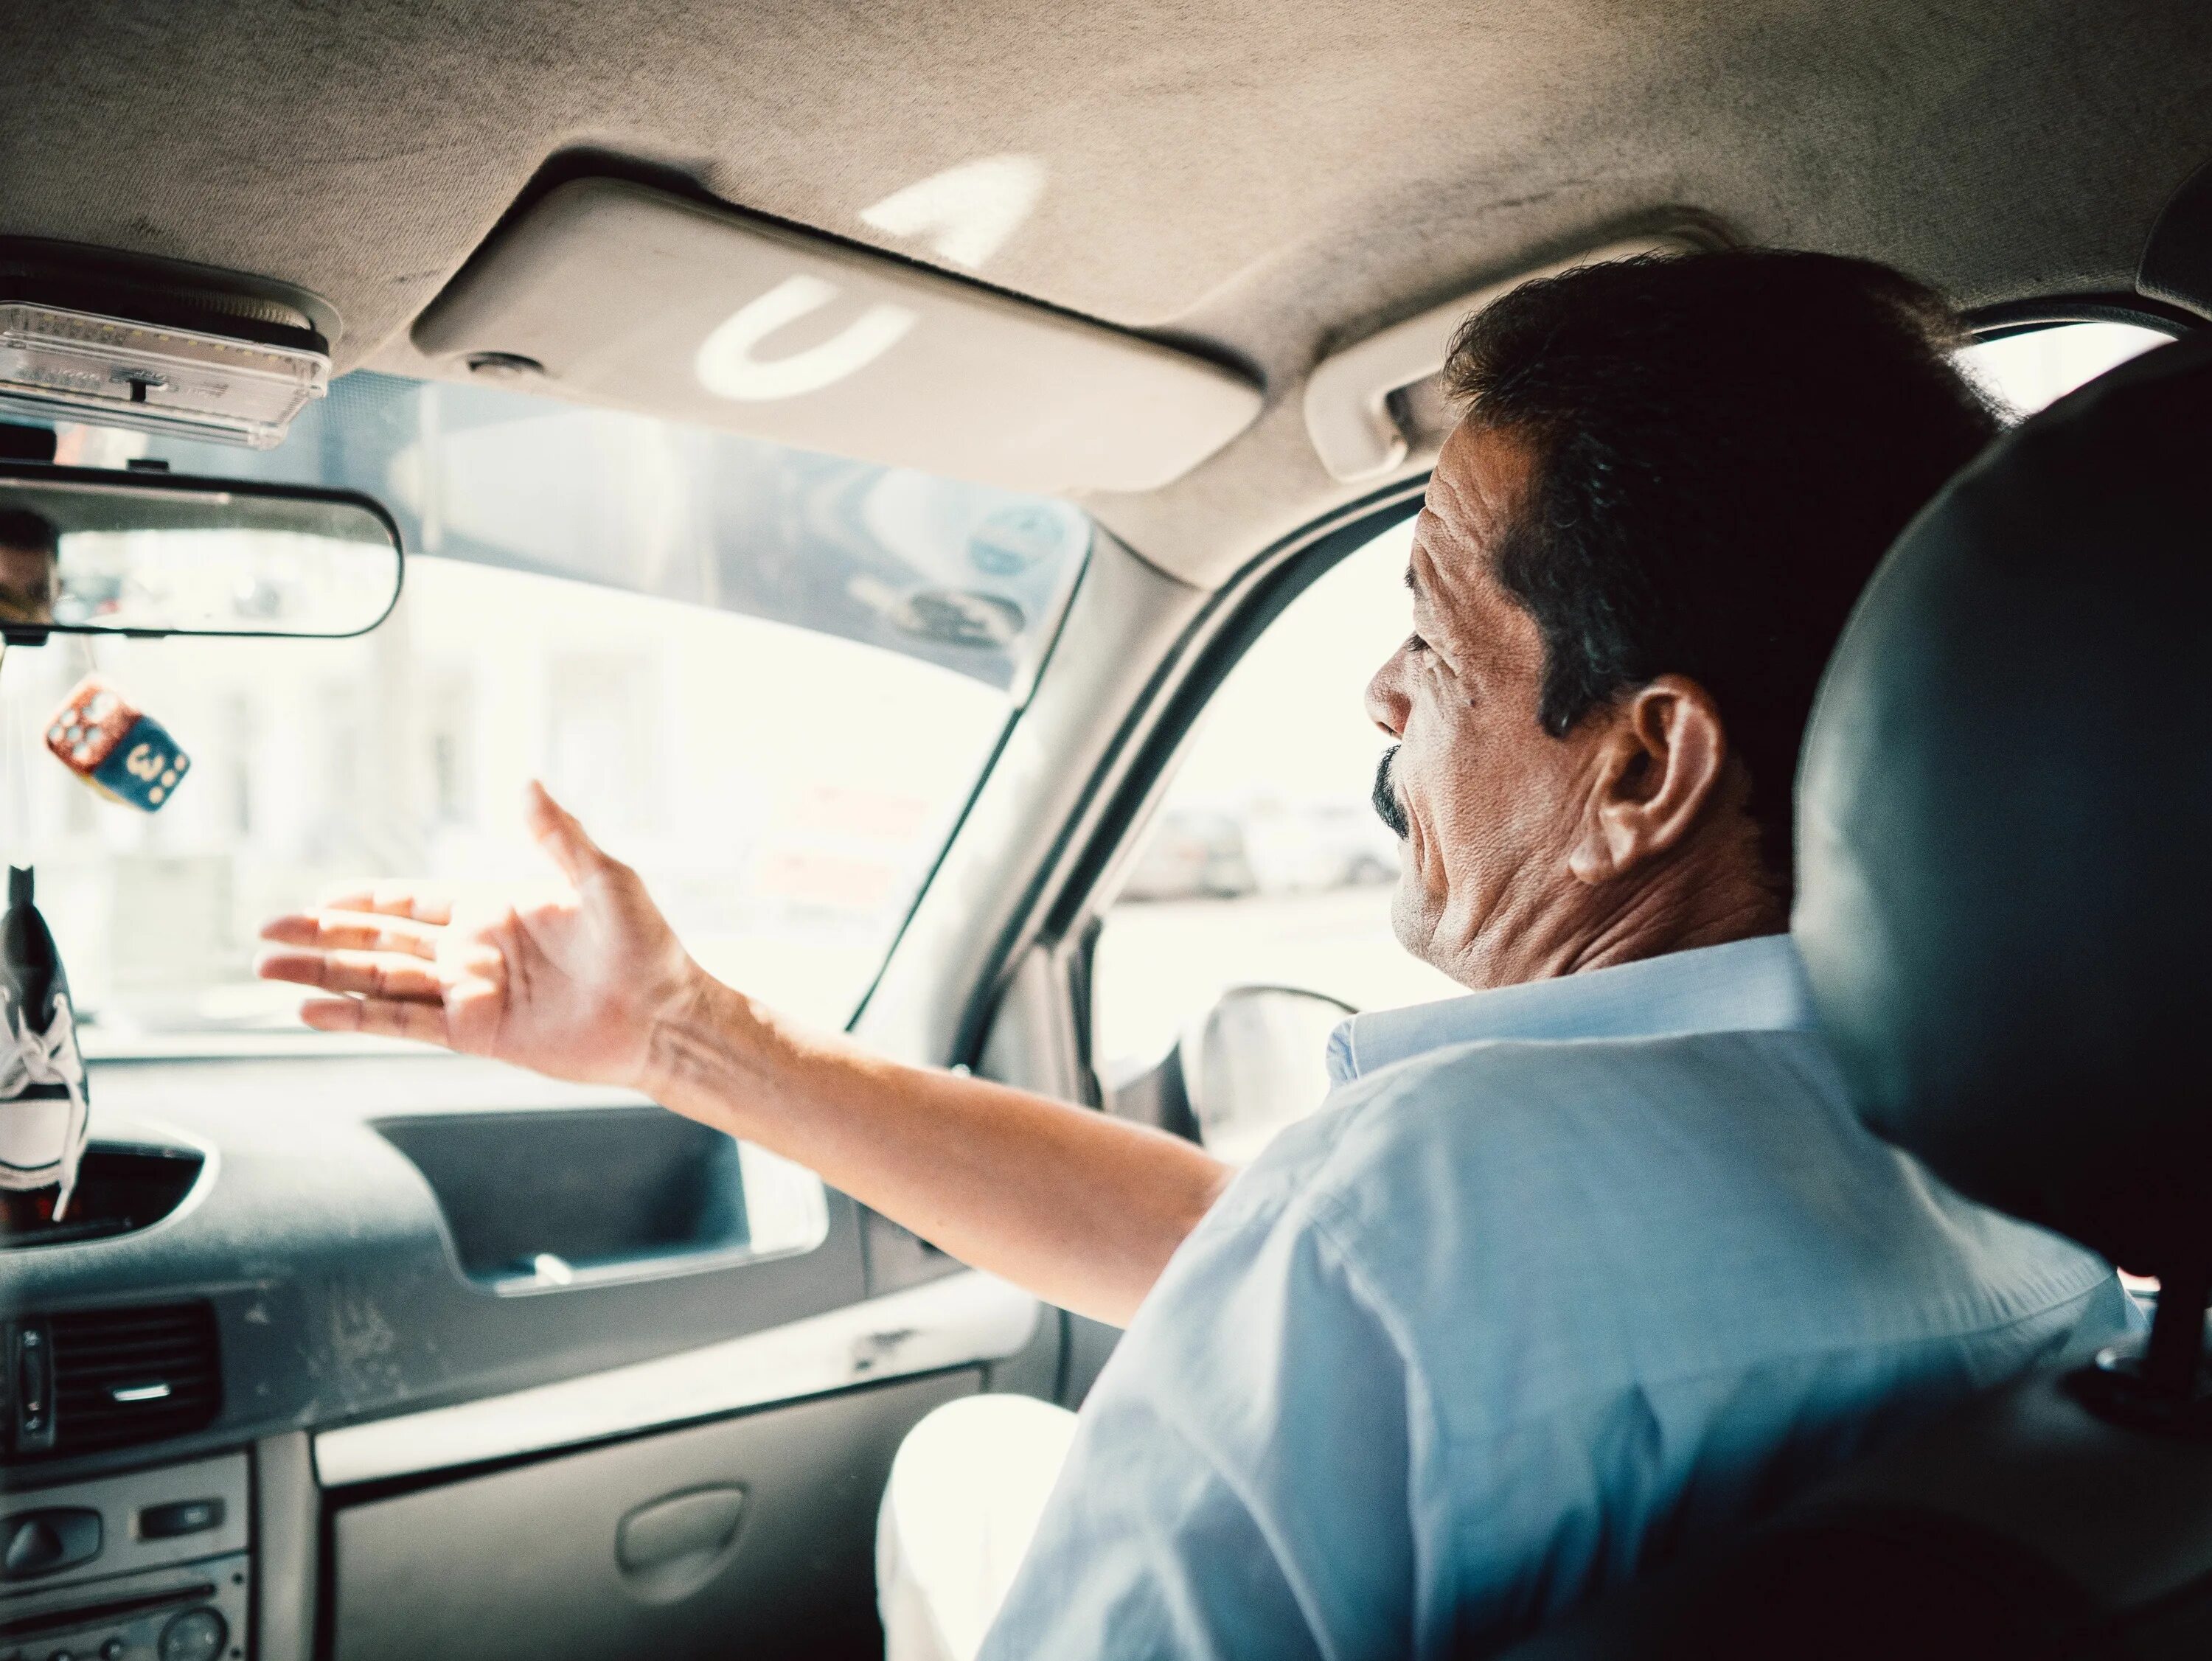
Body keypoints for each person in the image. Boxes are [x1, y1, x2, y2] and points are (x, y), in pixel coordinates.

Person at [257, 250, 2140, 1658]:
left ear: (1640, 765)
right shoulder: (2025, 1193)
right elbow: (1316, 1280)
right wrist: (683, 1036)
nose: (1381, 687)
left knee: (966, 1467)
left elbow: (1357, 1277)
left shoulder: (1415, 1215)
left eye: (1434, 632)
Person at [0, 507, 60, 627]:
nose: (20, 616)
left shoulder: (79, 643)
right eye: (4, 597)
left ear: (59, 589)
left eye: (37, 593)